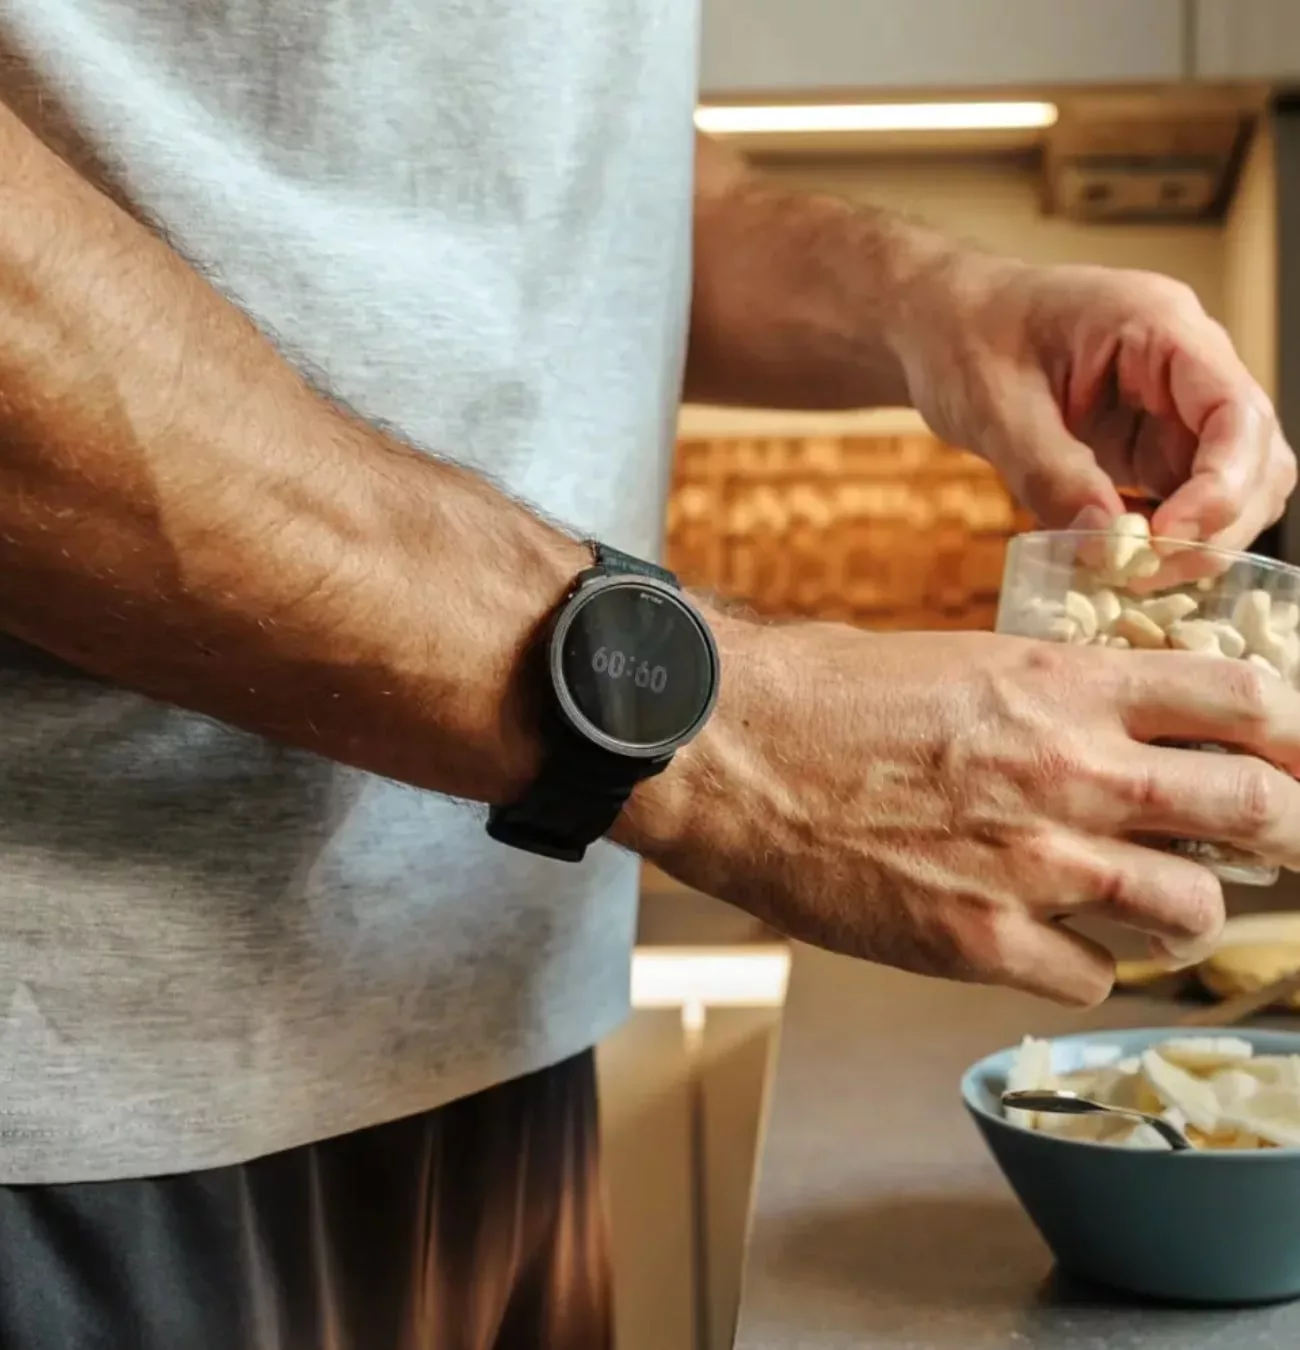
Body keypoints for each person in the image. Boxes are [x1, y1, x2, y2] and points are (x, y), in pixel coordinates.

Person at [0, 3, 1295, 1348]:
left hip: (493, 1040)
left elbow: (580, 173)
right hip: (73, 1104)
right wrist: (721, 730)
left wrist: (934, 303)